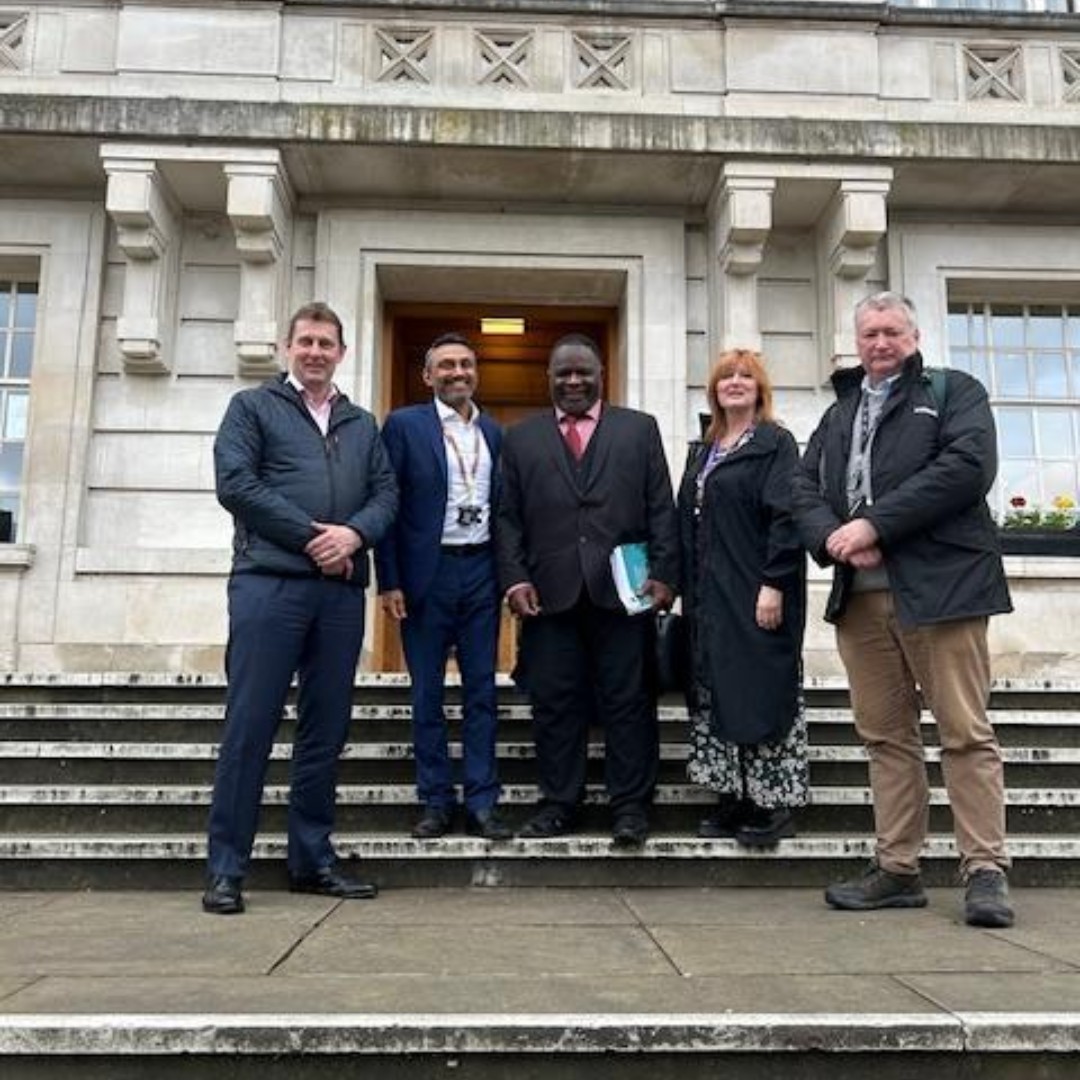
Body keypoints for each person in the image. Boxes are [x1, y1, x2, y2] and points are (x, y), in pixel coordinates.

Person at [792, 291, 1015, 929]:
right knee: (885, 736)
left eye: (891, 332)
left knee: (965, 733)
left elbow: (967, 468)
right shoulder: (839, 412)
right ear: (856, 342)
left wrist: (874, 527)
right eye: (869, 334)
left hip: (944, 589)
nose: (880, 343)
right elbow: (801, 487)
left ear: (914, 336)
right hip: (859, 601)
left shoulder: (954, 391)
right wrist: (831, 537)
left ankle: (985, 870)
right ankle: (897, 869)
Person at [203, 302, 398, 915]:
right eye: (306, 341)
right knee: (251, 726)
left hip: (339, 595)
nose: (315, 352)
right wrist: (316, 538)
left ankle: (311, 859)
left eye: (327, 343)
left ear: (342, 352)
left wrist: (355, 536)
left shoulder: (363, 423)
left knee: (325, 730)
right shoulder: (251, 408)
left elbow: (387, 493)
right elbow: (236, 484)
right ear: (288, 347)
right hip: (269, 586)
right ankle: (226, 869)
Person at [496, 333, 679, 847]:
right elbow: (506, 519)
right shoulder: (521, 438)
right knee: (555, 702)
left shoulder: (639, 430)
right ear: (548, 378)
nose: (573, 381)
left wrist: (666, 575)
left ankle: (630, 807)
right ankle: (559, 803)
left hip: (625, 592)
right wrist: (514, 578)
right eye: (563, 373)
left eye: (583, 372)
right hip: (548, 596)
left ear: (602, 374)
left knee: (629, 700)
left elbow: (660, 506)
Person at [375, 332, 510, 842]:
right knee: (427, 692)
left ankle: (482, 801)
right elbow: (386, 503)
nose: (458, 372)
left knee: (482, 692)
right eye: (447, 365)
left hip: (480, 571)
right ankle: (434, 800)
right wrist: (388, 579)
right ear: (428, 376)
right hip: (425, 574)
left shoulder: (495, 433)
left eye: (467, 364)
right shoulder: (405, 426)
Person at [677, 349, 808, 848]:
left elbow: (786, 516)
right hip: (708, 598)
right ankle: (730, 798)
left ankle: (770, 804)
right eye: (726, 376)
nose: (735, 383)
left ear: (760, 389)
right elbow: (682, 517)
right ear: (713, 388)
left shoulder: (775, 443)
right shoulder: (703, 449)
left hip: (756, 592)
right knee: (714, 692)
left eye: (745, 376)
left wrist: (773, 583)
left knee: (760, 689)